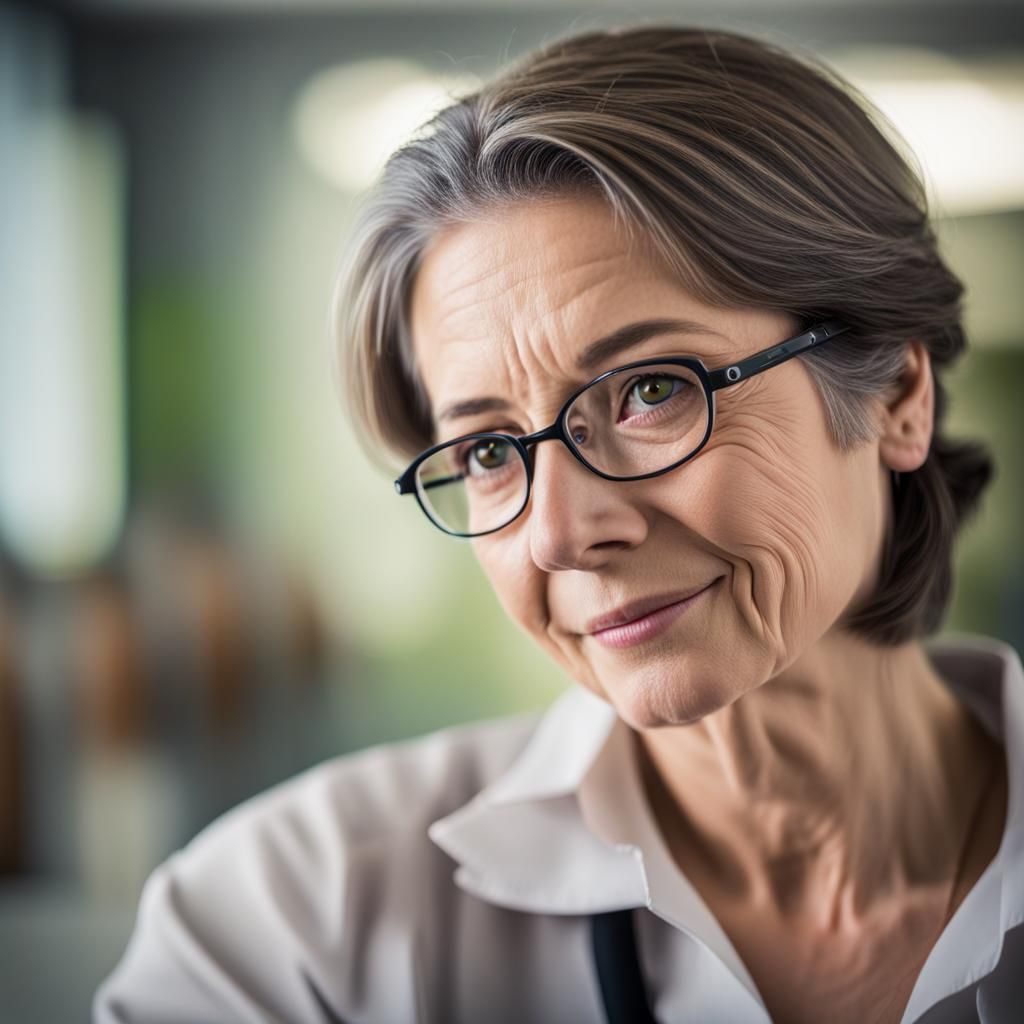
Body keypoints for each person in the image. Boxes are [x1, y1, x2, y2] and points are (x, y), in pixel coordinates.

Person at [94, 24, 1023, 1024]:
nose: (559, 533)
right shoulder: (286, 924)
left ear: (896, 396)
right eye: (490, 453)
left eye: (650, 392)